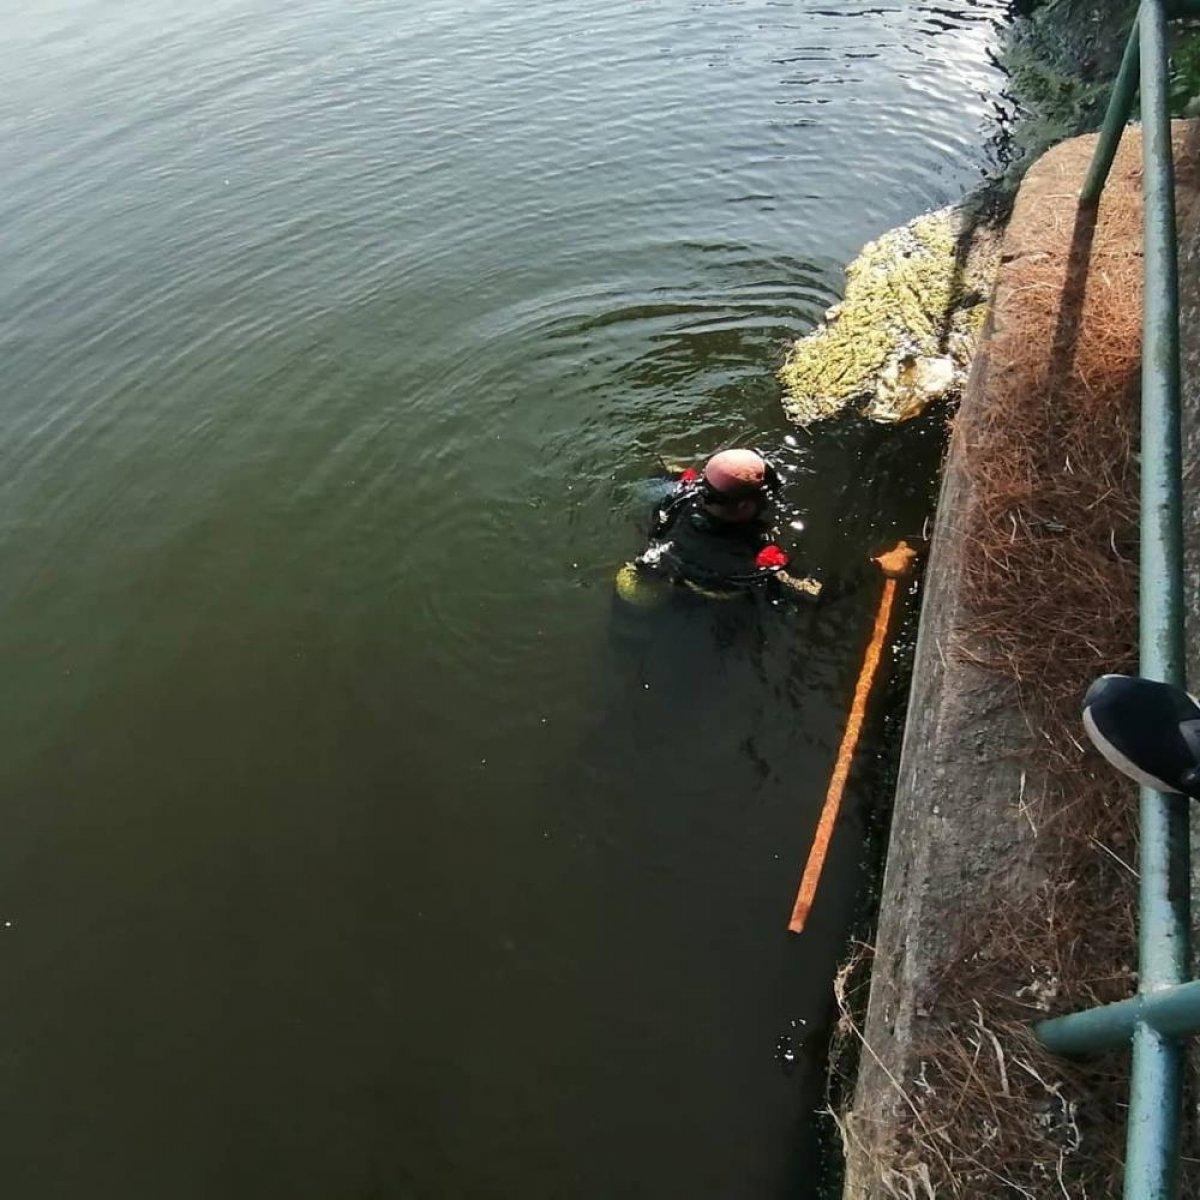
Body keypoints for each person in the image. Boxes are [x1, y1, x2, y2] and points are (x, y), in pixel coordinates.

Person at [615, 448, 821, 607]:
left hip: (676, 574)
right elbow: (808, 590)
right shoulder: (761, 553)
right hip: (715, 595)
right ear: (745, 505)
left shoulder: (678, 495)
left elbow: (668, 470)